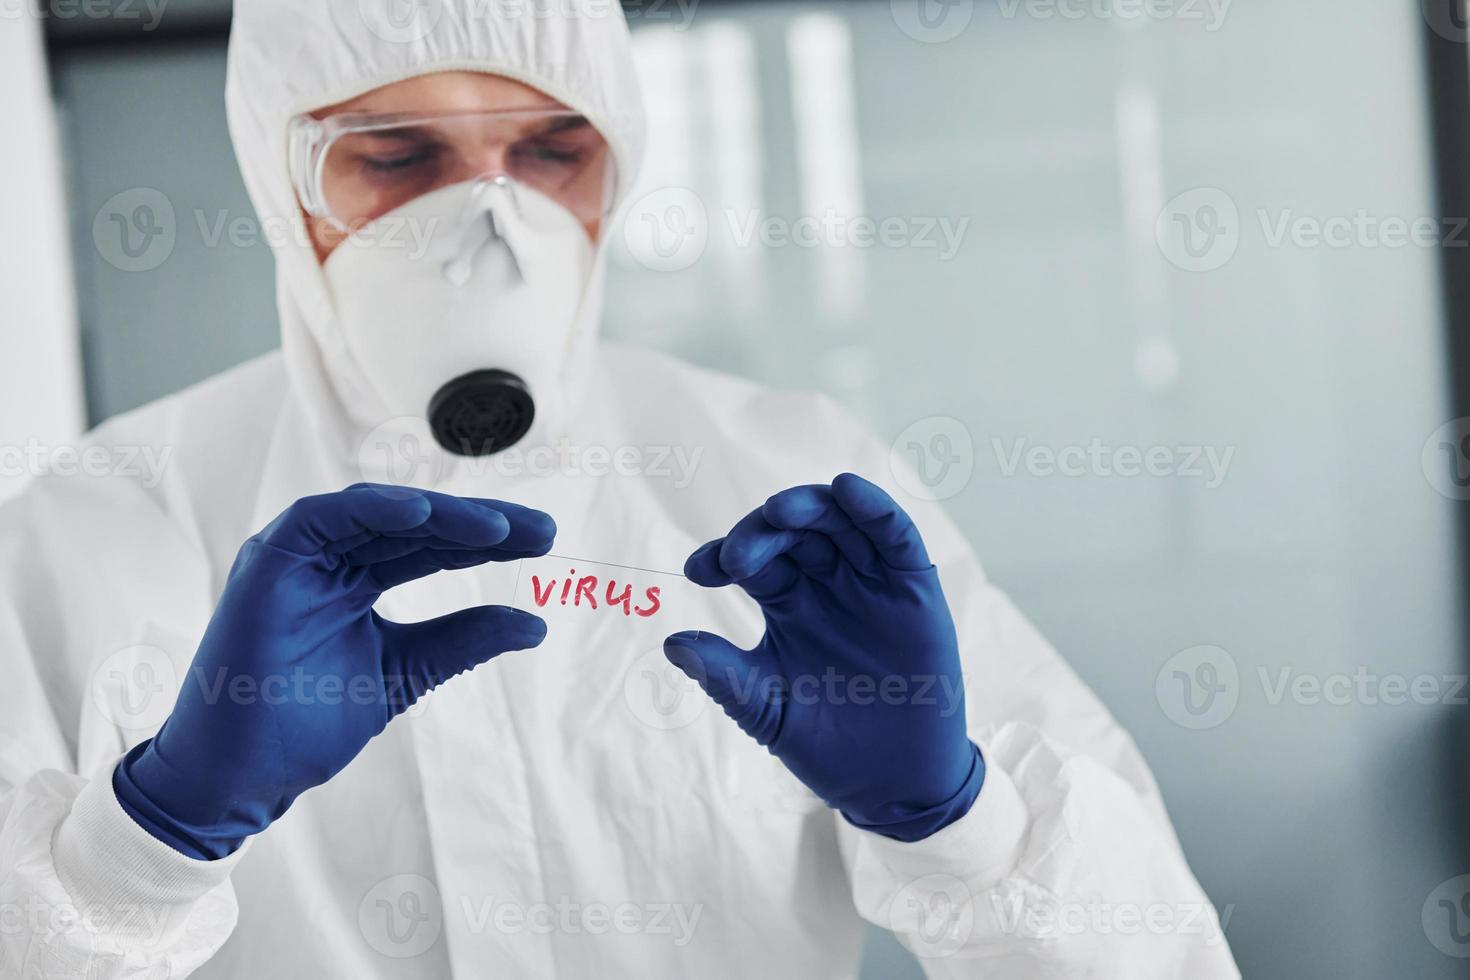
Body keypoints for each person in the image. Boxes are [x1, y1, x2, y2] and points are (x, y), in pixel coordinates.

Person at [0, 1, 1240, 977]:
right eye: (394, 158)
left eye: (553, 151)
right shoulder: (105, 523)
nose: (493, 224)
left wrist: (958, 822)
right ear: (284, 189)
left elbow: (1151, 949)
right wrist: (141, 848)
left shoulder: (792, 492)